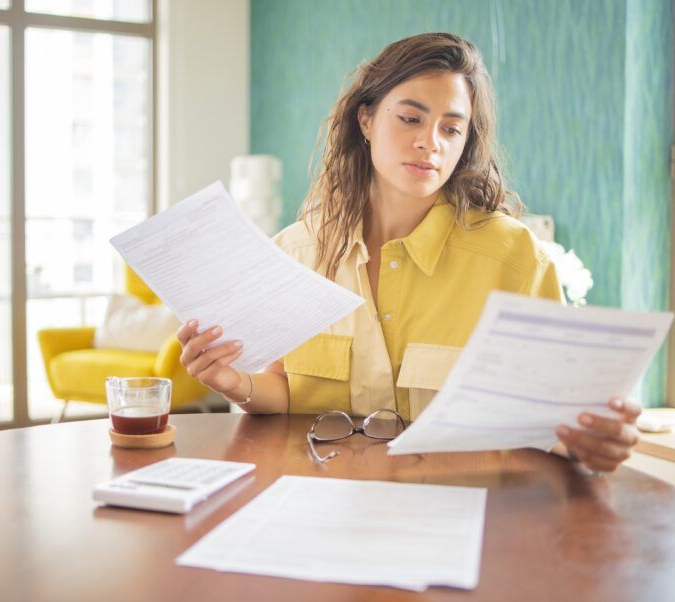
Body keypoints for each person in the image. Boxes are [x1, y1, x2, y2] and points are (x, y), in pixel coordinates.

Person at [177, 33, 640, 473]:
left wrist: (588, 442)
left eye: (452, 129)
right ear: (366, 119)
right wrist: (236, 385)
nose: (430, 142)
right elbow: (286, 390)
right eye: (411, 118)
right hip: (320, 509)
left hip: (459, 513)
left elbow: (551, 420)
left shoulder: (514, 258)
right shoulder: (295, 252)